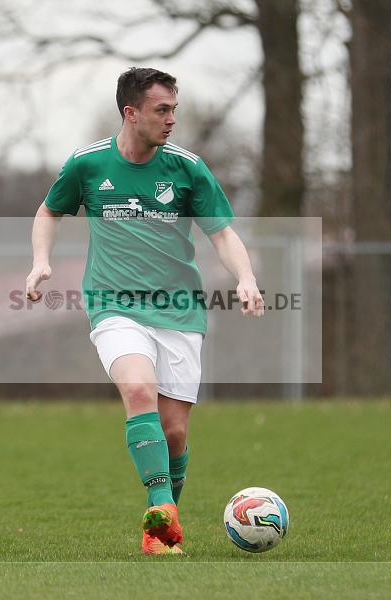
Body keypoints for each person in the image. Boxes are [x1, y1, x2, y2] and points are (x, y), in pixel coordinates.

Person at [25, 67, 264, 555]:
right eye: (162, 110)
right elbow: (49, 210)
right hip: (114, 305)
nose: (172, 119)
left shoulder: (187, 168)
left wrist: (245, 277)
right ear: (130, 113)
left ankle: (158, 529)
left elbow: (221, 232)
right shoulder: (88, 164)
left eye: (174, 109)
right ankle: (162, 510)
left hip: (179, 310)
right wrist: (41, 261)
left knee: (174, 433)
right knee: (138, 390)